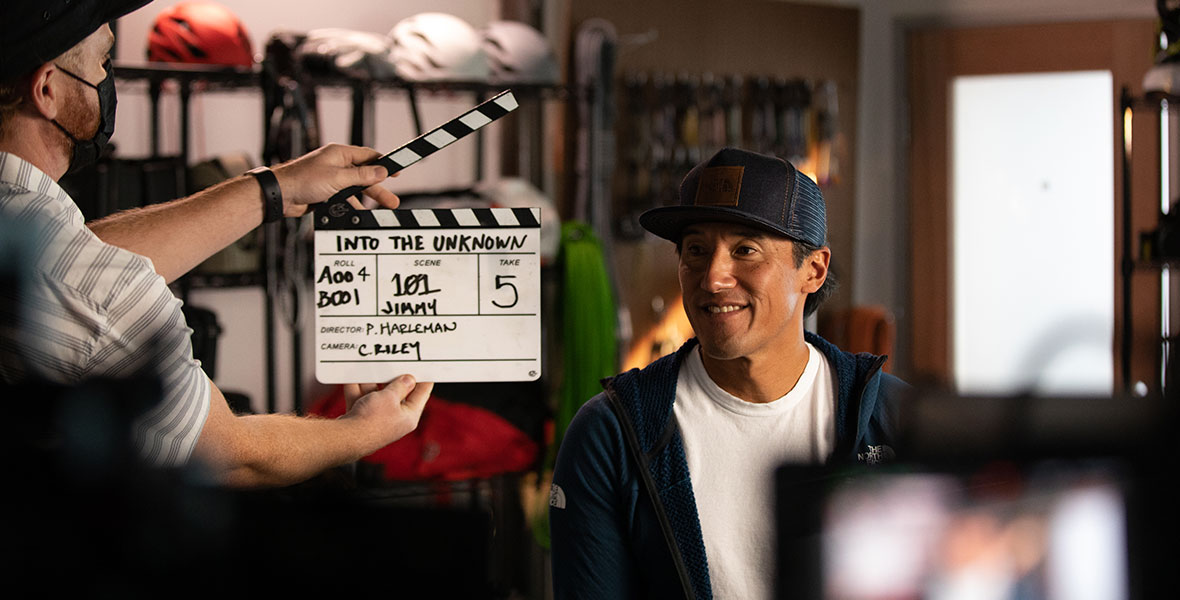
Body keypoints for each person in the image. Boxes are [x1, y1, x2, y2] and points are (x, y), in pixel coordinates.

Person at [0, 0, 433, 487]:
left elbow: (82, 260)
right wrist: (360, 433)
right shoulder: (83, 286)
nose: (107, 79)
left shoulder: (31, 233)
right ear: (47, 90)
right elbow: (228, 454)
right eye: (102, 62)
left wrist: (275, 187)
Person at [549, 147, 908, 599]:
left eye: (745, 249)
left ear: (813, 270)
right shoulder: (612, 435)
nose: (713, 277)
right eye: (696, 250)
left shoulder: (895, 418)